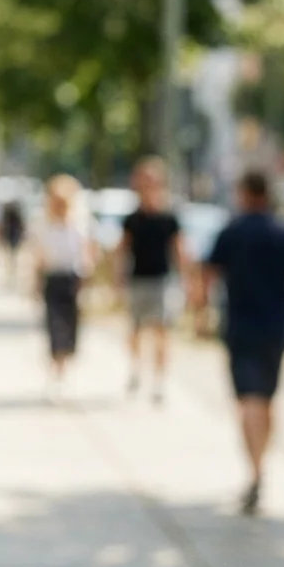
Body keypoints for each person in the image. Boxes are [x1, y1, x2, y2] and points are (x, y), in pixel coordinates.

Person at [195, 171, 284, 515]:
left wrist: (199, 315)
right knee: (266, 401)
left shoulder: (232, 232)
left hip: (240, 328)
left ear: (244, 194)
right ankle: (259, 466)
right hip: (275, 330)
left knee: (248, 403)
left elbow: (206, 277)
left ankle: (255, 471)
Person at [115, 157, 188, 404]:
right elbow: (122, 249)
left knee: (161, 331)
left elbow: (179, 250)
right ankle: (136, 369)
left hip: (162, 280)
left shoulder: (169, 217)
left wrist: (186, 279)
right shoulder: (132, 219)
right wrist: (118, 278)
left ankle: (159, 379)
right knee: (135, 331)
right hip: (138, 279)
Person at [33, 175, 94, 401]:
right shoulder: (44, 225)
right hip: (53, 279)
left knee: (70, 326)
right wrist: (35, 283)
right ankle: (56, 373)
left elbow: (87, 255)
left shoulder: (79, 225)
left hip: (72, 279)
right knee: (54, 326)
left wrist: (86, 281)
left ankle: (64, 370)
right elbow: (39, 257)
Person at [1, 199, 27, 281]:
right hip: (11, 237)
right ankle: (11, 272)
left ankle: (11, 272)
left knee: (11, 256)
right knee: (11, 256)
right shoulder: (8, 217)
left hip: (13, 237)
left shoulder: (9, 216)